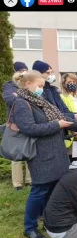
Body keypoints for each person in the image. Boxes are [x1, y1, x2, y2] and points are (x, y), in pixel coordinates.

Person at [11, 70, 77, 238]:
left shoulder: (40, 100)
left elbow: (62, 116)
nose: (42, 89)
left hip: (56, 153)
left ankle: (50, 220)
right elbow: (30, 128)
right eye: (40, 85)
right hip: (41, 155)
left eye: (42, 86)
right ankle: (30, 227)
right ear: (28, 84)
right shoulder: (21, 103)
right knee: (40, 191)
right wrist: (56, 126)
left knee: (54, 190)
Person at [2, 62, 31, 191]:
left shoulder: (29, 84)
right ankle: (18, 183)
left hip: (29, 122)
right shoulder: (9, 86)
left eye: (25, 70)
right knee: (16, 154)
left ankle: (30, 180)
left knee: (29, 151)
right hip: (15, 124)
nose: (23, 73)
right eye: (21, 70)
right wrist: (22, 98)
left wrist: (19, 97)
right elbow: (9, 99)